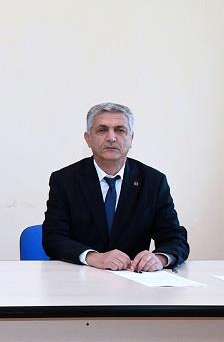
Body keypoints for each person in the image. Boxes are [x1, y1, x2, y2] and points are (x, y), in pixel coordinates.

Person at [42, 102, 188, 271]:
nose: (111, 138)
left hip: (132, 278)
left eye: (120, 130)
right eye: (102, 130)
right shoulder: (65, 180)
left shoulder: (153, 181)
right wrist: (93, 257)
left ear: (131, 138)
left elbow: (175, 238)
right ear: (88, 138)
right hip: (80, 276)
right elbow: (53, 238)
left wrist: (159, 259)